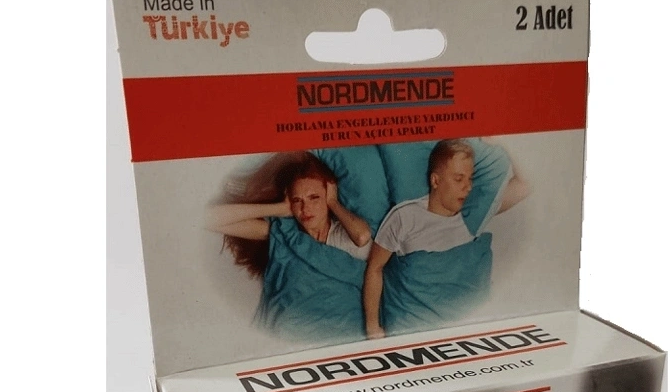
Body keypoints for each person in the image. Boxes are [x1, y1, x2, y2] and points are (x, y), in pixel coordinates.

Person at [363, 139, 531, 339]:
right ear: (435, 181)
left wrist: (506, 144)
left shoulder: (473, 215)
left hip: (466, 326)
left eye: (470, 179)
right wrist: (373, 327)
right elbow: (375, 268)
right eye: (459, 179)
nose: (468, 187)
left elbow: (525, 185)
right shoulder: (404, 217)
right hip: (416, 327)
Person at [206, 151, 372, 277]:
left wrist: (333, 202)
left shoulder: (344, 233)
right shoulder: (286, 233)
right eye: (297, 200)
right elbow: (207, 219)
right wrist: (279, 209)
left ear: (327, 197)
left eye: (314, 198)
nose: (305, 209)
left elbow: (362, 237)